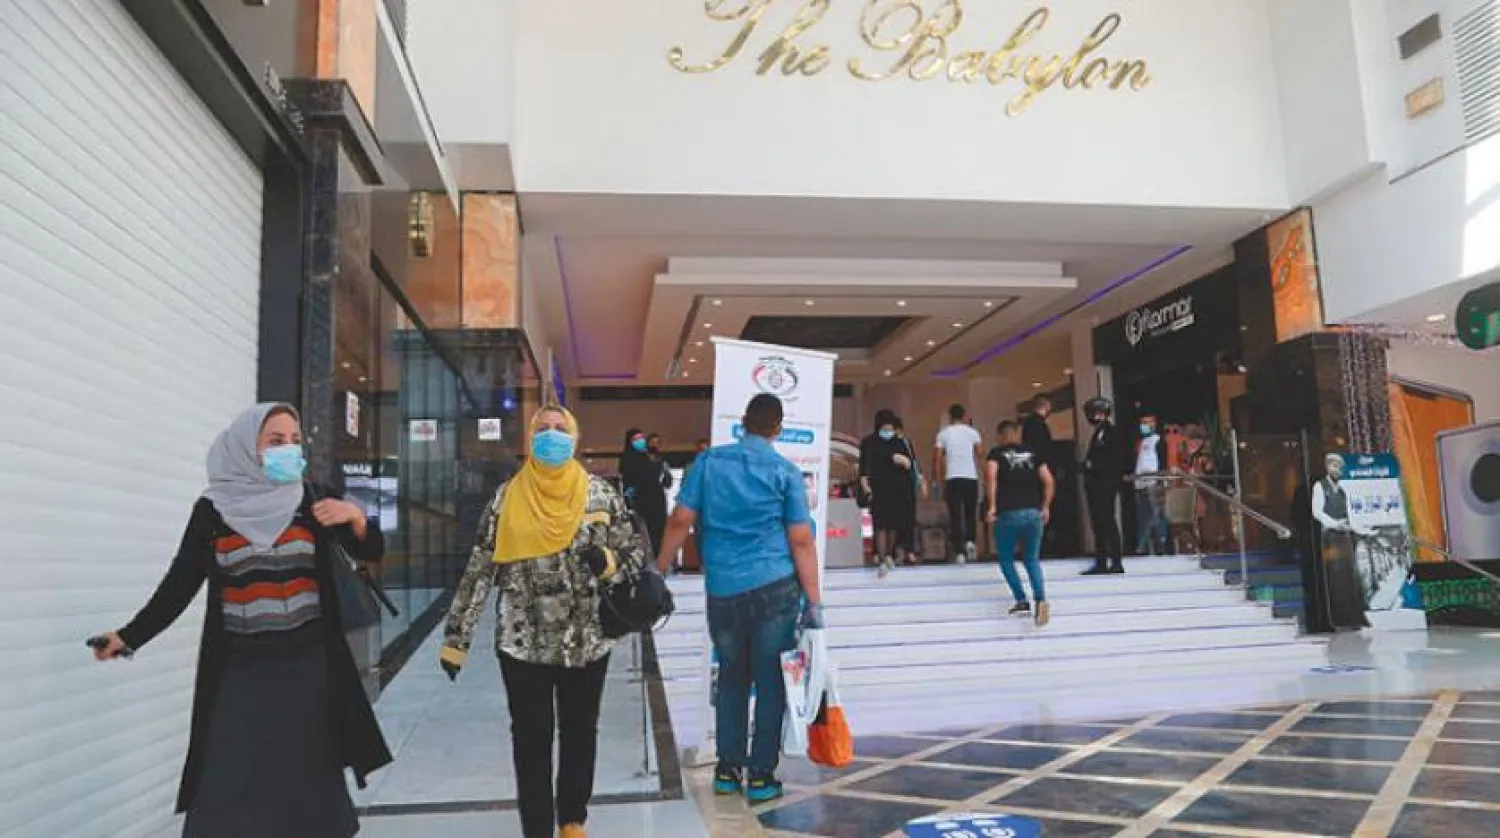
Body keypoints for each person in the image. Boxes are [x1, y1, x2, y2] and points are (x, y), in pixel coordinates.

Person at [91, 403, 390, 838]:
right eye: (275, 441)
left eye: (295, 441)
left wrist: (356, 518)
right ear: (246, 448)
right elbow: (180, 583)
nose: (289, 449)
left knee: (309, 778)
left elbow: (370, 550)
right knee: (228, 778)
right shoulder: (214, 511)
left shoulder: (312, 499)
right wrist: (129, 636)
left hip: (309, 666)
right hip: (242, 666)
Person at [440, 406, 647, 838]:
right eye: (543, 429)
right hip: (523, 643)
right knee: (531, 740)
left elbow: (635, 554)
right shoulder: (506, 498)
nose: (552, 436)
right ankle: (536, 828)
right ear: (530, 439)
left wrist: (610, 562)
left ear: (574, 437)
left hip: (586, 640)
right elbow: (480, 568)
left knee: (580, 732)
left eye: (560, 428)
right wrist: (457, 638)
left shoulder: (600, 495)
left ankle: (572, 818)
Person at [655, 394, 822, 804]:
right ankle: (761, 776)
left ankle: (728, 771)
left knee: (732, 677)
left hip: (724, 588)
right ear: (777, 429)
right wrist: (815, 602)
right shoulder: (785, 472)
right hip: (775, 587)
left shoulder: (708, 463)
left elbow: (680, 519)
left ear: (743, 422)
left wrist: (658, 569)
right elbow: (801, 540)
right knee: (770, 681)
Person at [986, 420, 1056, 626]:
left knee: (1006, 559)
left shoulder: (996, 454)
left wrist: (991, 506)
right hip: (1033, 513)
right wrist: (1046, 506)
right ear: (1017, 434)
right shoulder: (1034, 454)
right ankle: (1041, 599)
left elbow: (991, 478)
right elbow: (1049, 480)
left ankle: (1021, 599)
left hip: (1008, 513)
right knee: (1031, 559)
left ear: (1000, 436)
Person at [1310, 453, 1372, 630]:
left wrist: (1363, 531)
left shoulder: (1343, 491)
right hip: (1330, 537)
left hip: (1345, 537)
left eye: (1339, 467)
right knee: (1336, 578)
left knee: (1351, 577)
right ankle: (1340, 618)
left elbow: (1350, 516)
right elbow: (1317, 512)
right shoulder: (1320, 486)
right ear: (1328, 467)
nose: (1337, 470)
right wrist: (1335, 523)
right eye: (1334, 466)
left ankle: (1356, 617)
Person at [860, 409, 916, 576]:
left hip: (897, 489)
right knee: (879, 524)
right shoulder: (869, 443)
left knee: (894, 523)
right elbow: (864, 468)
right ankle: (882, 556)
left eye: (890, 428)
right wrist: (866, 487)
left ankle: (890, 554)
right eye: (884, 428)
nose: (888, 431)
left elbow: (910, 465)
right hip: (878, 488)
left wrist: (904, 461)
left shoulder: (899, 442)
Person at [1080, 397, 1126, 575]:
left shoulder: (1111, 433)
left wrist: (1092, 465)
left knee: (1107, 521)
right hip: (1095, 485)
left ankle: (1116, 560)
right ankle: (1101, 561)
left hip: (1105, 484)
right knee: (1098, 524)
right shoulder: (1098, 433)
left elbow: (1112, 460)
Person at [935, 404, 984, 564]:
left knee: (955, 515)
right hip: (970, 477)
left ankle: (959, 551)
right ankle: (970, 542)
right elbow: (980, 454)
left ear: (950, 417)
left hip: (952, 478)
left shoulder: (943, 434)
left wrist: (938, 481)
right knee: (970, 513)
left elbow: (937, 459)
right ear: (964, 416)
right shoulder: (973, 433)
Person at [619, 428, 671, 554]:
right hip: (640, 504)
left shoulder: (650, 458)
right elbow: (628, 483)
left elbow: (665, 481)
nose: (640, 441)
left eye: (641, 438)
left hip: (657, 501)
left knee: (659, 533)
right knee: (644, 535)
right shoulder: (627, 460)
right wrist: (629, 501)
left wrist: (662, 470)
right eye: (636, 439)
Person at [1133, 414, 1170, 555]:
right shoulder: (1141, 442)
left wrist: (1161, 481)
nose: (1143, 425)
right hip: (1140, 484)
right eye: (1142, 422)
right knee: (1143, 517)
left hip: (1153, 483)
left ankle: (1161, 545)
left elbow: (1162, 462)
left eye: (1146, 422)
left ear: (1154, 424)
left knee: (1156, 515)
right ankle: (1144, 547)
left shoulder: (1158, 441)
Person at [1022, 394, 1054, 463]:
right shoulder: (1037, 424)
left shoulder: (1029, 422)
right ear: (1045, 406)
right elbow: (1041, 446)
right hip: (1039, 462)